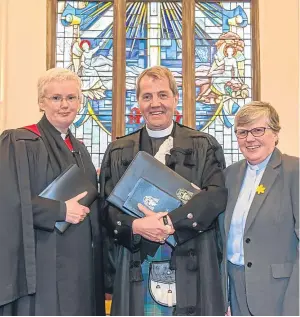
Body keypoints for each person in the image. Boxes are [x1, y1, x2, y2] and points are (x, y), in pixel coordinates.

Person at [99, 66, 228, 315]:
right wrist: (136, 227)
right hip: (136, 261)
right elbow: (106, 209)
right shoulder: (119, 150)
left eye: (162, 95)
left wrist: (169, 222)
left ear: (175, 99)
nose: (155, 103)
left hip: (192, 259)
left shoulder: (203, 145)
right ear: (138, 102)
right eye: (147, 96)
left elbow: (215, 196)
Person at [0, 68, 105, 315]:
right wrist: (59, 210)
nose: (64, 105)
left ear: (80, 102)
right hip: (40, 261)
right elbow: (6, 201)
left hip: (80, 265)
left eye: (71, 98)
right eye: (56, 98)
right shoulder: (19, 142)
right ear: (41, 102)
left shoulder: (81, 150)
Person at [219, 101, 299, 315]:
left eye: (258, 130)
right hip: (235, 289)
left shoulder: (295, 171)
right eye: (242, 132)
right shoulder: (229, 176)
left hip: (280, 292)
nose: (250, 138)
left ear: (275, 133)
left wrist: (295, 305)